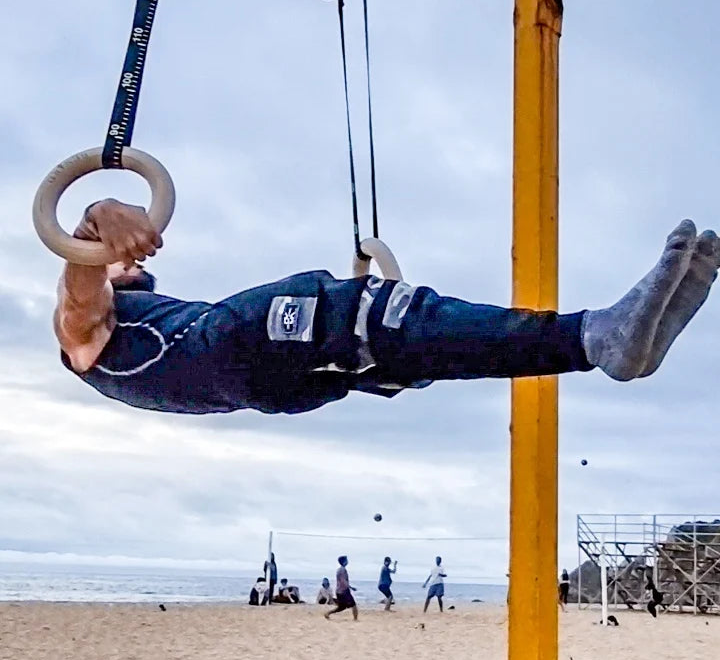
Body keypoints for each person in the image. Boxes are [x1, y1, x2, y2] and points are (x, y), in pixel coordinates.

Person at [52, 202, 720, 416]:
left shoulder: (144, 323)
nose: (135, 261)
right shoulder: (87, 336)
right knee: (361, 311)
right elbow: (79, 296)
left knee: (402, 347)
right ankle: (595, 333)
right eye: (122, 258)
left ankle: (591, 345)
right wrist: (94, 224)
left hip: (269, 390)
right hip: (232, 343)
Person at [325, 556, 358, 620]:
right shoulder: (343, 570)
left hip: (338, 591)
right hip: (344, 591)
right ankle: (355, 619)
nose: (347, 561)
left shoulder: (339, 570)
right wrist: (351, 587)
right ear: (344, 561)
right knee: (353, 605)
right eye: (346, 560)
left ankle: (328, 613)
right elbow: (343, 581)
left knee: (341, 607)